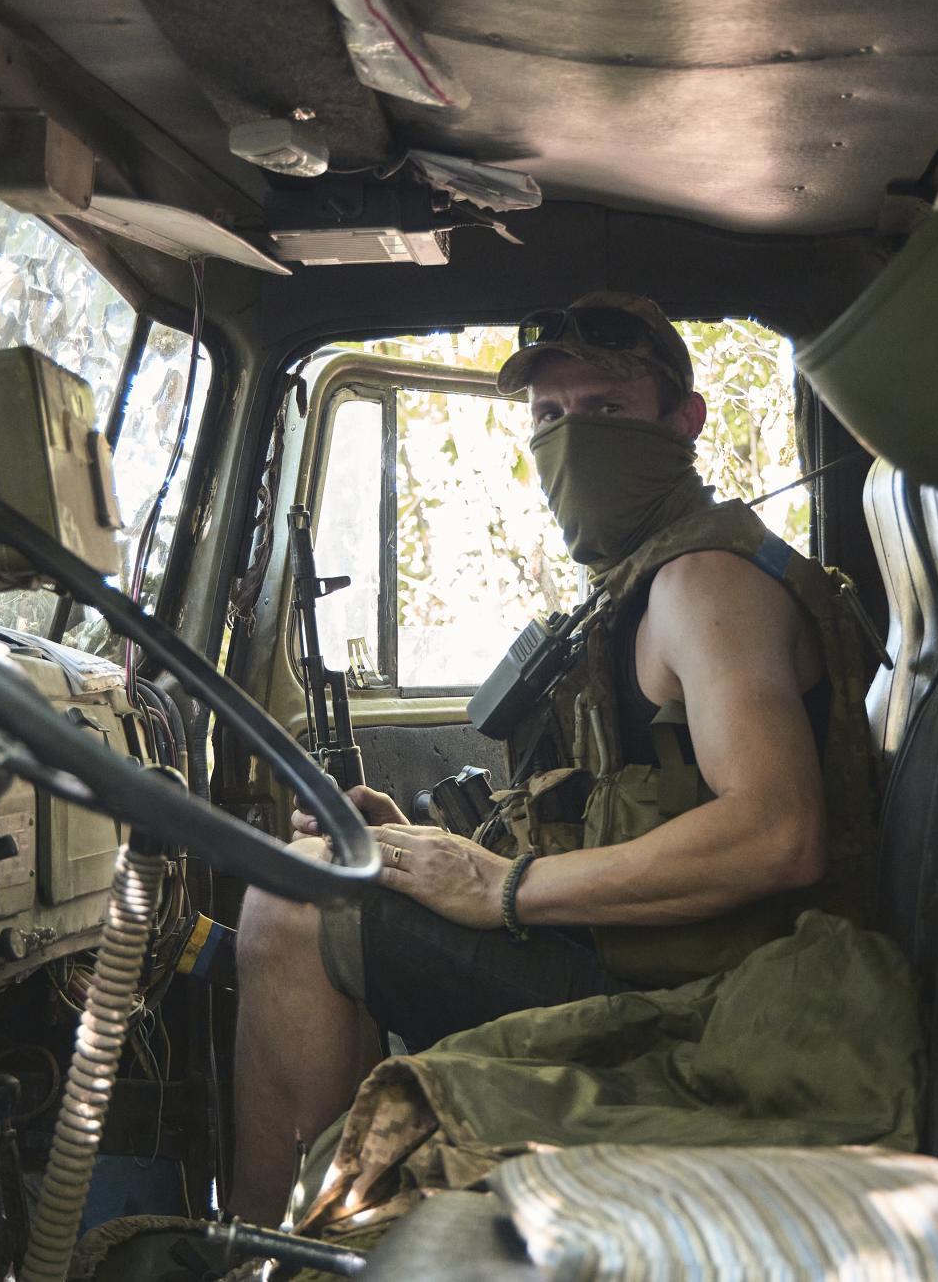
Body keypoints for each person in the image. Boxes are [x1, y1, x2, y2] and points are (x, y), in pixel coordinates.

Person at [230, 293, 881, 1223]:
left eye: (608, 410)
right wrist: (422, 848)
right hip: (650, 962)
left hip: (699, 1008)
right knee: (330, 868)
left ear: (683, 421)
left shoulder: (704, 584)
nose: (574, 440)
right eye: (550, 417)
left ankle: (266, 1249)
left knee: (289, 908)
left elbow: (781, 831)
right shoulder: (639, 581)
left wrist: (501, 888)